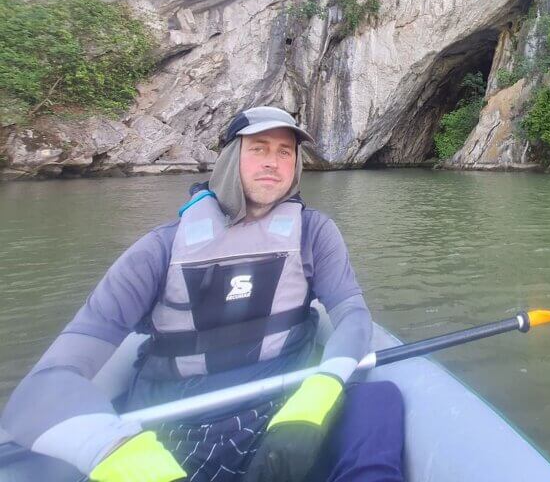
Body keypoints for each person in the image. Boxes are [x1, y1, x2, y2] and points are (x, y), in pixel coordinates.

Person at [0, 106, 404, 482]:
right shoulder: (158, 250)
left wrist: (314, 400)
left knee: (379, 402)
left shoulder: (315, 234)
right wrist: (126, 458)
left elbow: (352, 313)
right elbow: (43, 387)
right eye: (258, 149)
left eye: (285, 152)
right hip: (178, 423)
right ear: (230, 158)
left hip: (285, 407)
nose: (272, 162)